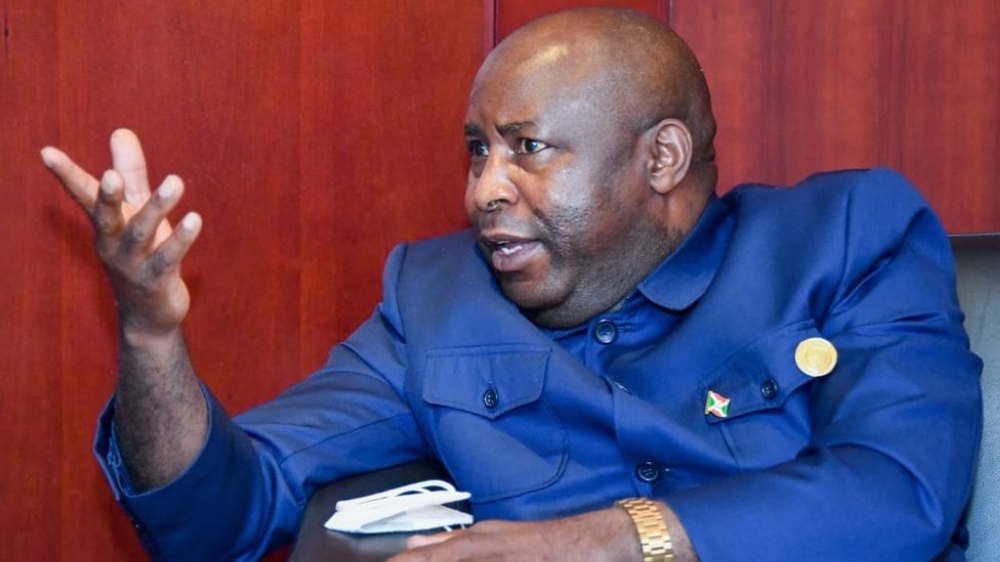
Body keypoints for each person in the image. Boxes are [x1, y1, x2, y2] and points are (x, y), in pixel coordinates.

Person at [41, 7, 982, 561]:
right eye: (476, 151)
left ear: (660, 158)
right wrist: (151, 336)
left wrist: (592, 543)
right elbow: (222, 519)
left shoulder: (844, 240)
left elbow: (901, 491)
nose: (484, 189)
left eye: (527, 148)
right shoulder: (433, 297)